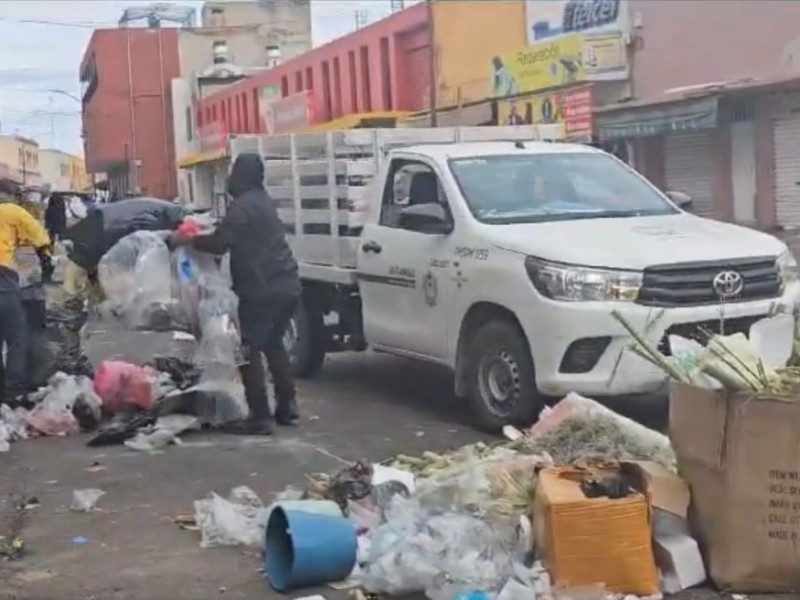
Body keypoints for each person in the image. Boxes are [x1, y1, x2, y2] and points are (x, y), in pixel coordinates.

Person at [170, 153, 301, 435]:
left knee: (247, 349)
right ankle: (287, 407)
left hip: (261, 289)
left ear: (241, 176)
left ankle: (260, 415)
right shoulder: (263, 202)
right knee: (275, 345)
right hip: (287, 284)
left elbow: (220, 243)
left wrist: (187, 239)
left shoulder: (242, 207)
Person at [61, 197, 186, 307]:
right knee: (81, 271)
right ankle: (75, 302)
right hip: (105, 227)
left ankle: (81, 302)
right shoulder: (159, 219)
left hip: (103, 223)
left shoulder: (158, 211)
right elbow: (146, 250)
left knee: (81, 269)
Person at [0, 179, 53, 405]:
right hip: (3, 277)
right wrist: (47, 260)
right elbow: (41, 238)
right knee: (17, 338)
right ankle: (15, 393)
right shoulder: (11, 211)